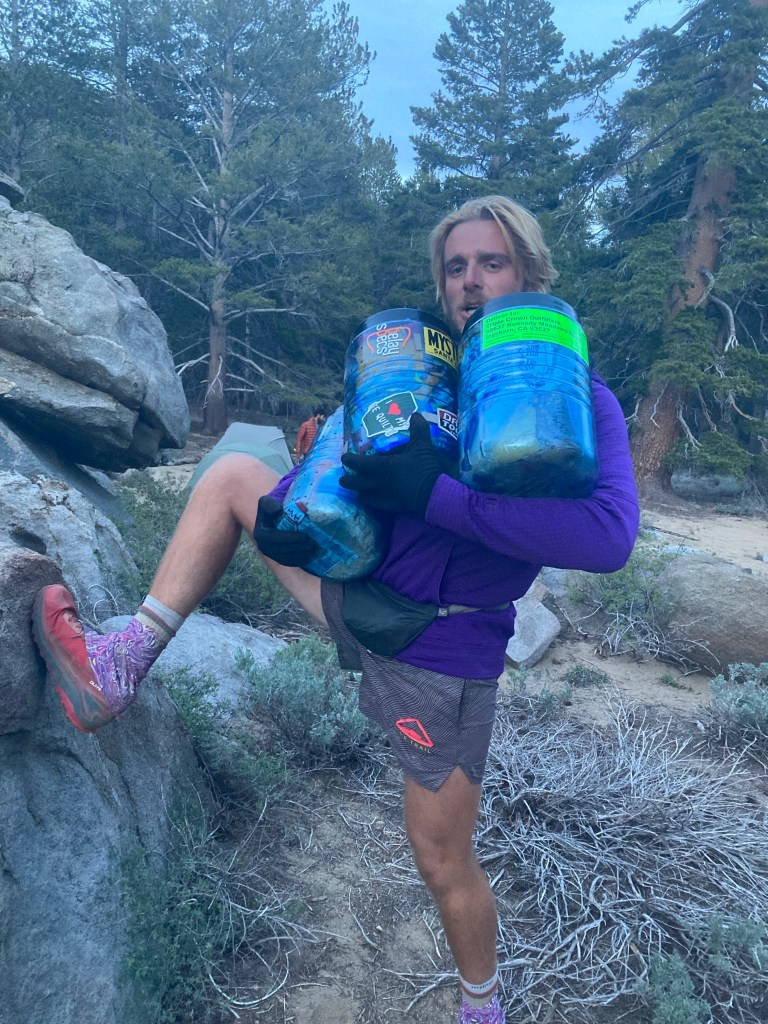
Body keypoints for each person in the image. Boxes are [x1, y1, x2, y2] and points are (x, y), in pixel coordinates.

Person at [31, 196, 639, 1024]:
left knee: (441, 861)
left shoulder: (570, 392)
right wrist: (297, 502)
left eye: (491, 263)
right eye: (455, 267)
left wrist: (438, 496)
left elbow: (608, 537)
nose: (469, 281)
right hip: (362, 599)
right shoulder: (418, 374)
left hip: (439, 651)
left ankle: (482, 1010)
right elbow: (350, 478)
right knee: (232, 476)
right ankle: (120, 665)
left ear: (529, 272)